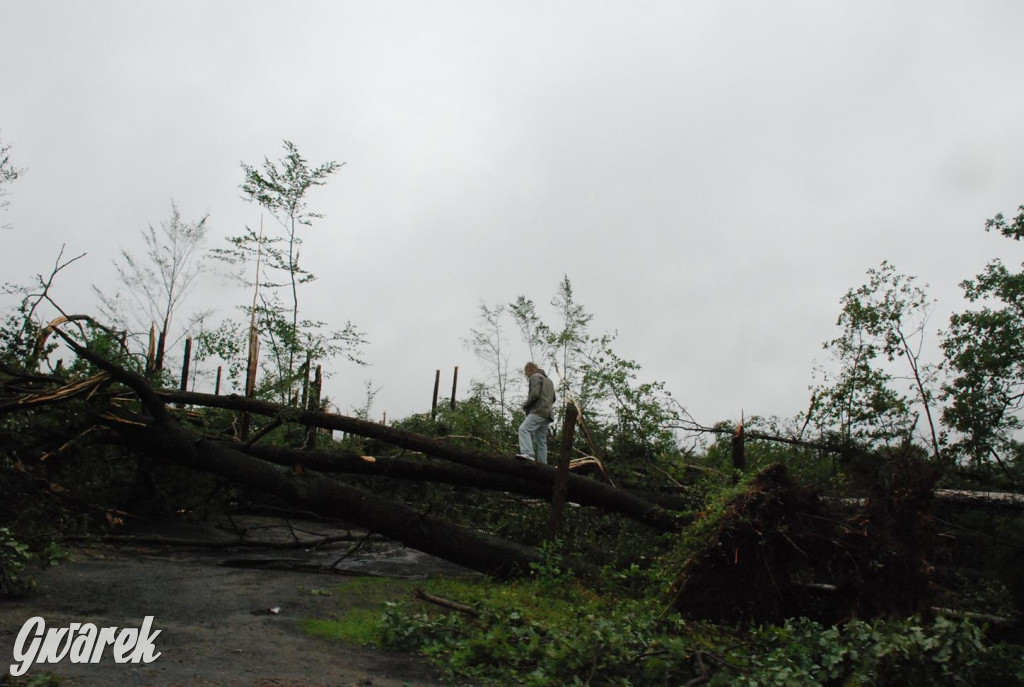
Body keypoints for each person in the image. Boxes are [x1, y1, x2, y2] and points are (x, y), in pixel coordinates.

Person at [516, 362, 555, 464]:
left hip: (538, 411)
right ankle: (543, 463)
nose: (526, 375)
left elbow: (534, 394)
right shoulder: (549, 381)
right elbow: (554, 398)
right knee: (541, 441)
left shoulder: (534, 377)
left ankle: (528, 453)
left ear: (530, 369)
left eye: (526, 372)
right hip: (548, 414)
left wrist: (525, 406)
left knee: (523, 429)